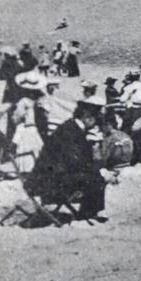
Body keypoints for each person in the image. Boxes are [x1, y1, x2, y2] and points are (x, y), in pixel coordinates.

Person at [25, 85, 113, 222]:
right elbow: (74, 161)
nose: (95, 125)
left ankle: (92, 213)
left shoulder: (73, 128)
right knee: (95, 178)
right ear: (87, 117)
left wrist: (98, 167)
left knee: (95, 176)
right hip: (47, 181)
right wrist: (98, 170)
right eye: (95, 120)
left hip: (55, 175)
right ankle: (86, 216)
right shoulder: (69, 132)